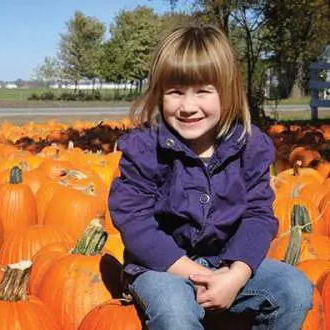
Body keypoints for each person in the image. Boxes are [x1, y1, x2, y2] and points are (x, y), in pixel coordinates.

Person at [108, 24, 313, 329]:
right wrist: (193, 273)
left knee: (293, 289)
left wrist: (236, 275)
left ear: (227, 92)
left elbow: (258, 216)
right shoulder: (145, 148)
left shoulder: (250, 146)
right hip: (161, 268)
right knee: (175, 312)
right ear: (159, 93)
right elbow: (134, 220)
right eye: (175, 92)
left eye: (203, 91)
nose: (188, 107)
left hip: (228, 264)